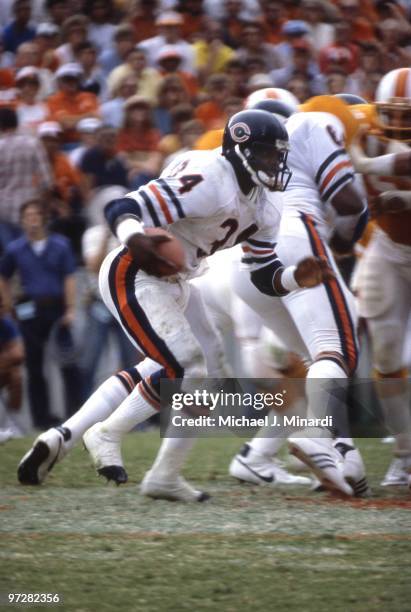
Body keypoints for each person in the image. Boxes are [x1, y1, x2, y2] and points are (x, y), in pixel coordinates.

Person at [80, 109, 332, 501]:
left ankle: (164, 476)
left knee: (210, 372)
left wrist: (293, 278)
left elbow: (262, 273)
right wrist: (135, 239)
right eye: (267, 153)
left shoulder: (266, 207)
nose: (274, 163)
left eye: (277, 155)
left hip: (180, 280)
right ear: (241, 147)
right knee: (185, 365)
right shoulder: (211, 178)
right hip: (135, 271)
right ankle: (105, 433)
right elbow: (122, 208)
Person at [0, 200, 86, 430]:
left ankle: (76, 414)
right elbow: (3, 275)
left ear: (44, 218)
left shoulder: (61, 245)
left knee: (68, 362)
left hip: (56, 307)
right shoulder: (16, 248)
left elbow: (69, 277)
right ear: (22, 220)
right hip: (30, 310)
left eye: (36, 215)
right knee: (35, 366)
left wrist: (70, 308)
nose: (32, 219)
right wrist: (8, 305)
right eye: (28, 216)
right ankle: (42, 419)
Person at [0, 107, 53, 254]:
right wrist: (45, 208)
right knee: (31, 254)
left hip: (3, 209)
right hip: (30, 208)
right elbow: (47, 182)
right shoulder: (33, 143)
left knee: (11, 255)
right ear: (17, 123)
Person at [0, 303, 25, 442]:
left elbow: (19, 353)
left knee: (16, 375)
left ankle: (11, 421)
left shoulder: (6, 324)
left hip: (2, 369)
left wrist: (4, 360)